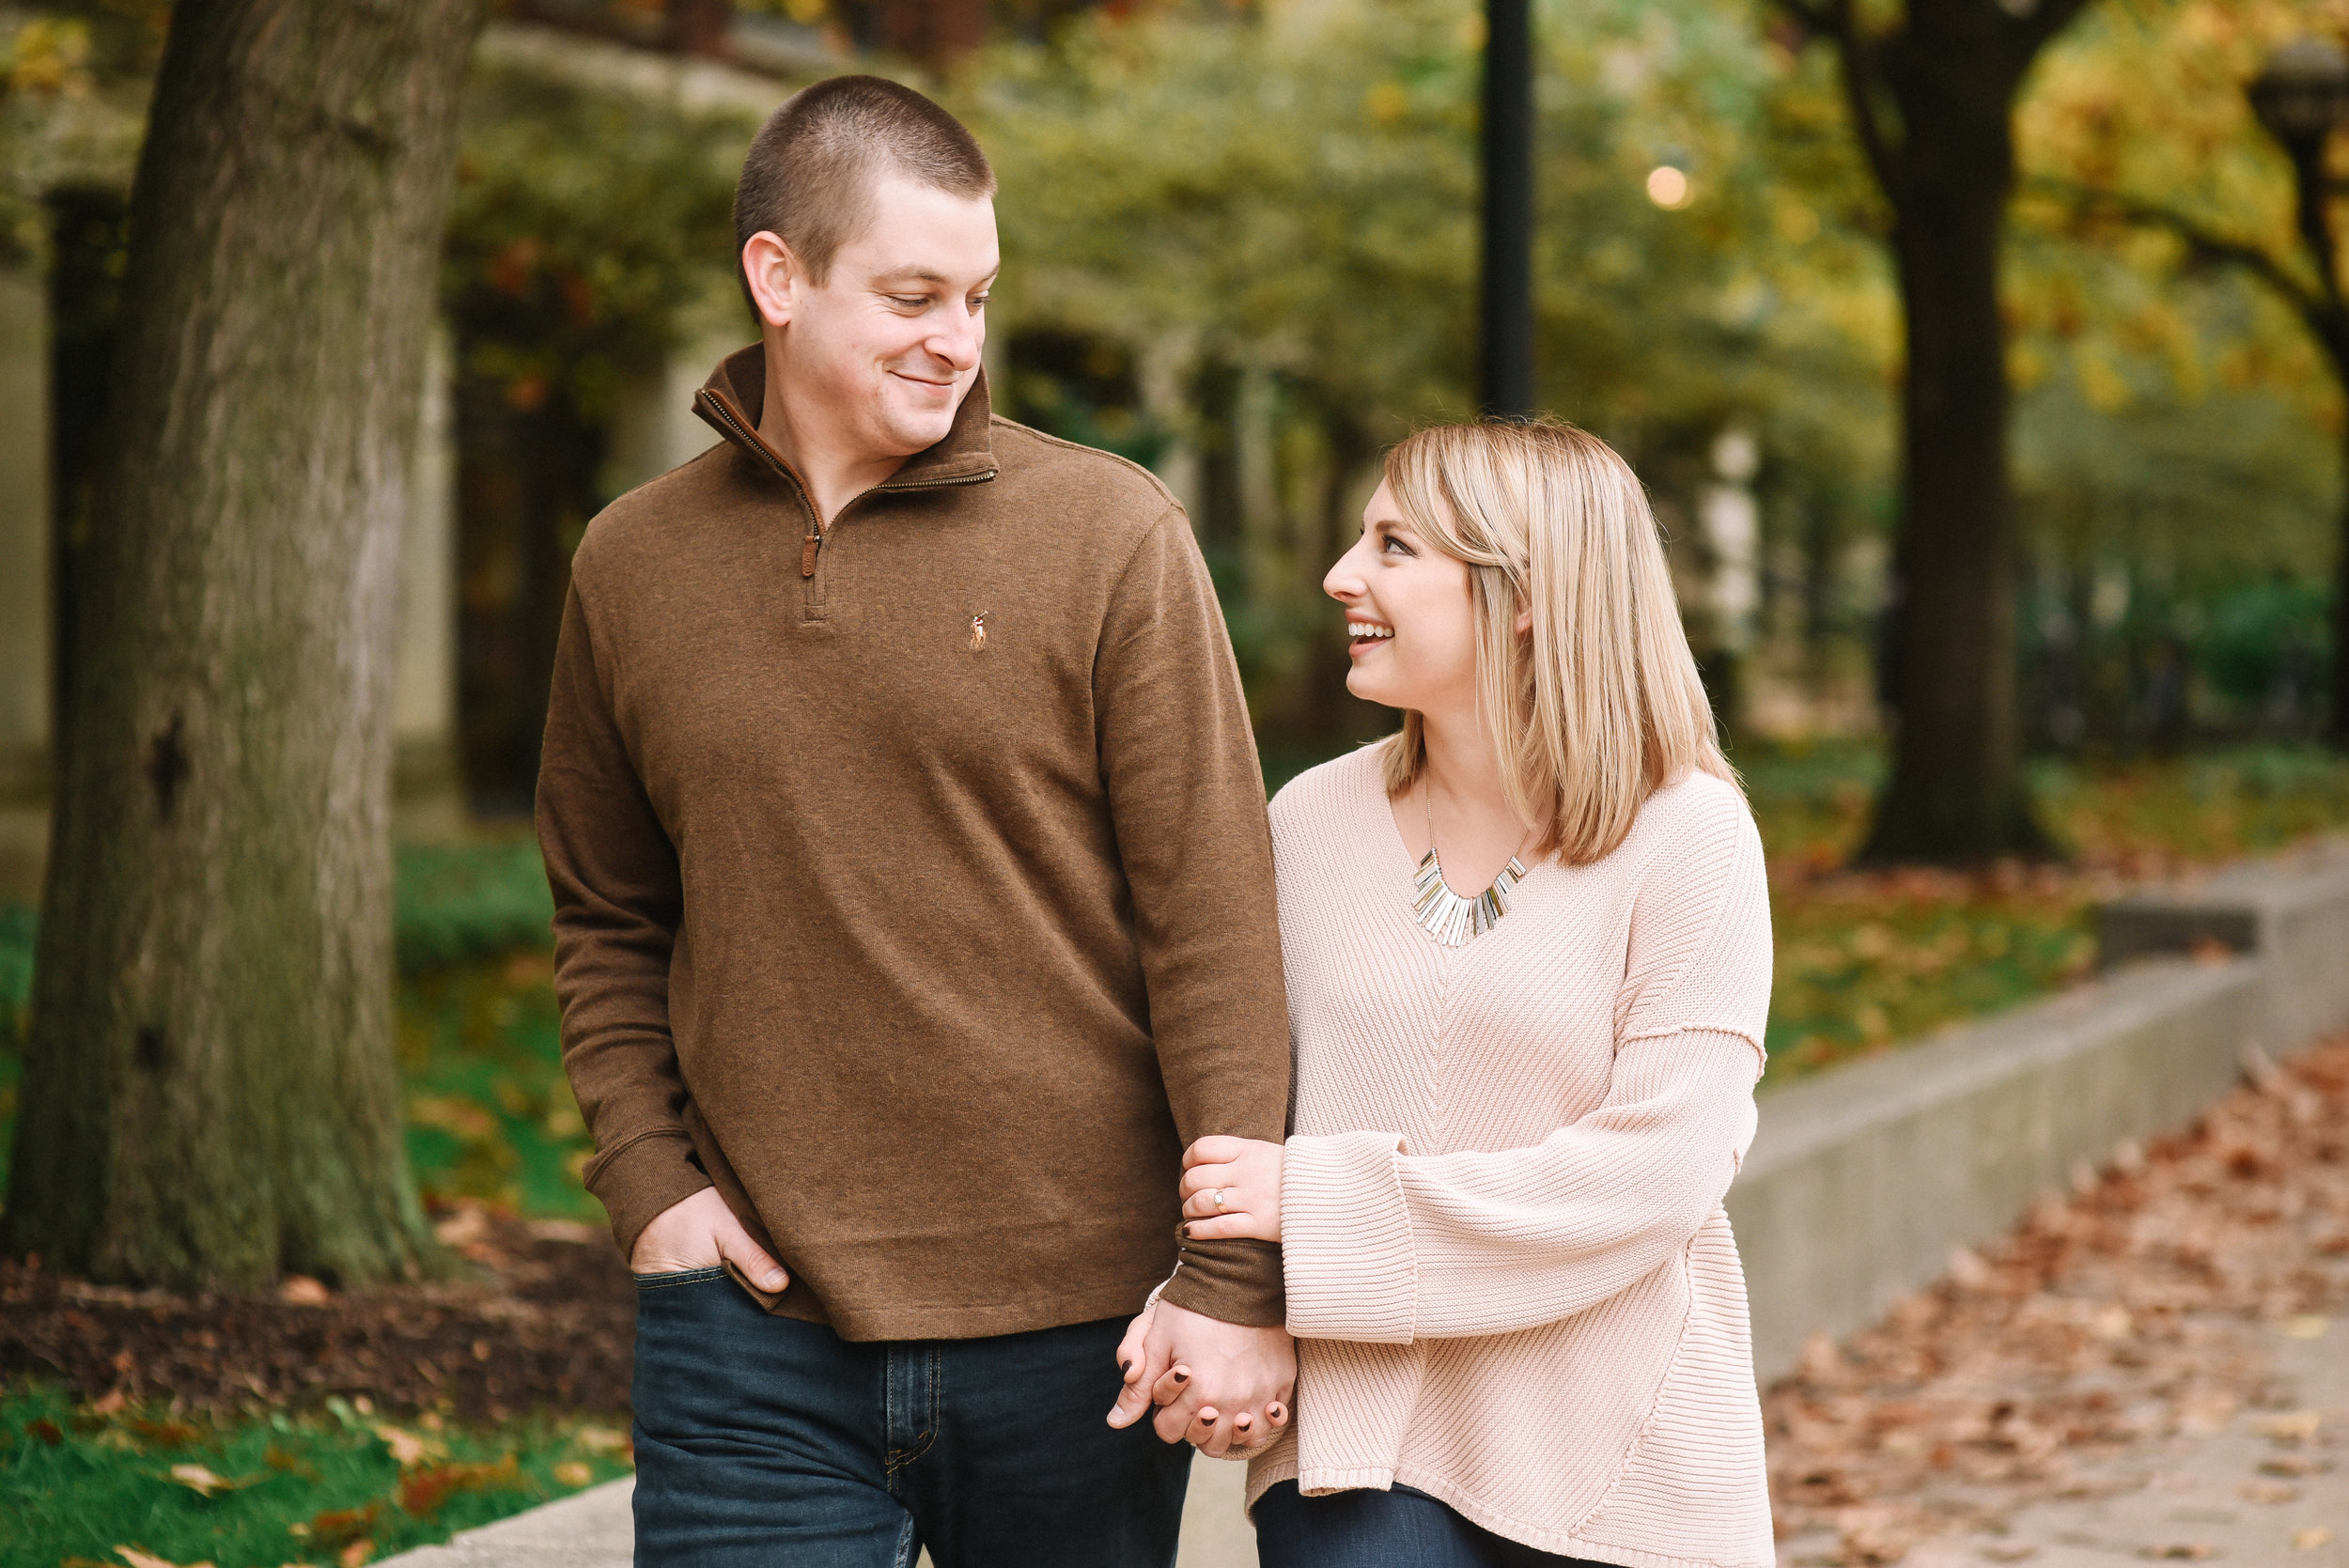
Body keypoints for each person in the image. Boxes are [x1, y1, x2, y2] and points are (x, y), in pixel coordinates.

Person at [537, 75, 1294, 1567]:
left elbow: (1211, 927)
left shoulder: (1111, 537)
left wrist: (1231, 1276)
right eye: (912, 294)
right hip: (750, 1329)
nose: (958, 338)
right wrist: (650, 1187)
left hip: (1079, 1337)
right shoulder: (632, 565)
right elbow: (609, 914)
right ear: (778, 278)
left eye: (979, 295)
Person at [1157, 420, 1776, 1567]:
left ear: (1526, 592)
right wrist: (1205, 1296)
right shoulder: (1305, 821)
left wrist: (1321, 1206)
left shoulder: (1688, 833)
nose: (1340, 575)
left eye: (1393, 545)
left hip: (1623, 1453)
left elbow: (1663, 1167)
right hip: (1360, 1448)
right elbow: (1229, 1102)